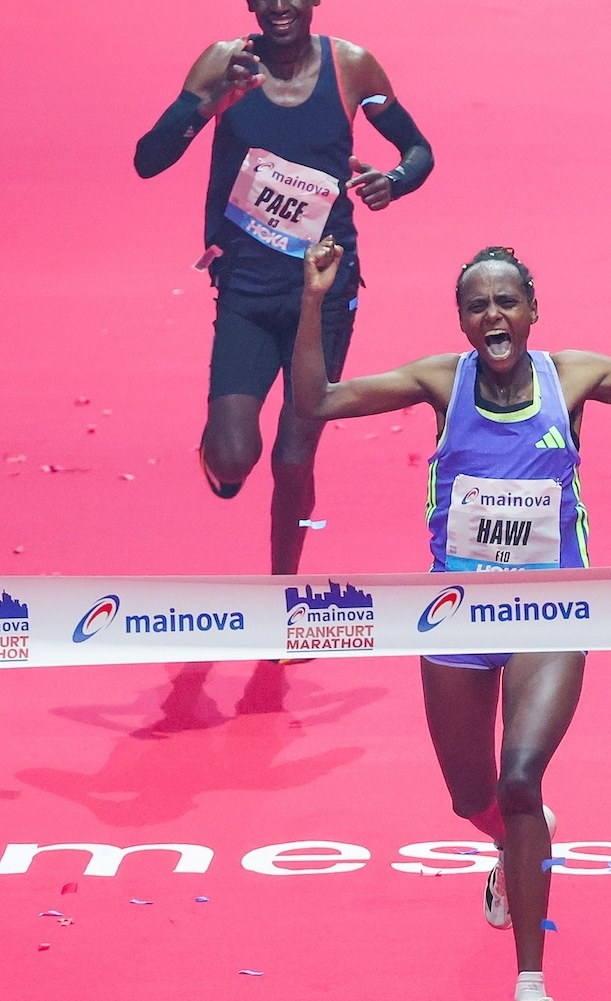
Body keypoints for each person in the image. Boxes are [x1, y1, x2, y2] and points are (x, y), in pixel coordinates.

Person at [291, 233, 611, 1001]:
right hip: (454, 616)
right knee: (471, 797)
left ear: (532, 311)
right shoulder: (438, 382)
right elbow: (315, 401)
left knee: (520, 779)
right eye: (477, 305)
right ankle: (507, 846)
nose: (493, 315)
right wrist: (314, 300)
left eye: (506, 301)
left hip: (555, 611)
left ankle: (531, 999)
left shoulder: (574, 376)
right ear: (462, 320)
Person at [133, 0, 434, 575]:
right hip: (245, 289)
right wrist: (208, 106)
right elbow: (148, 159)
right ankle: (217, 451)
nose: (279, 6)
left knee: (294, 460)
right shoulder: (225, 62)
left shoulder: (353, 68)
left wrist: (391, 183)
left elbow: (418, 150)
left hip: (323, 291)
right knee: (235, 458)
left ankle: (285, 592)